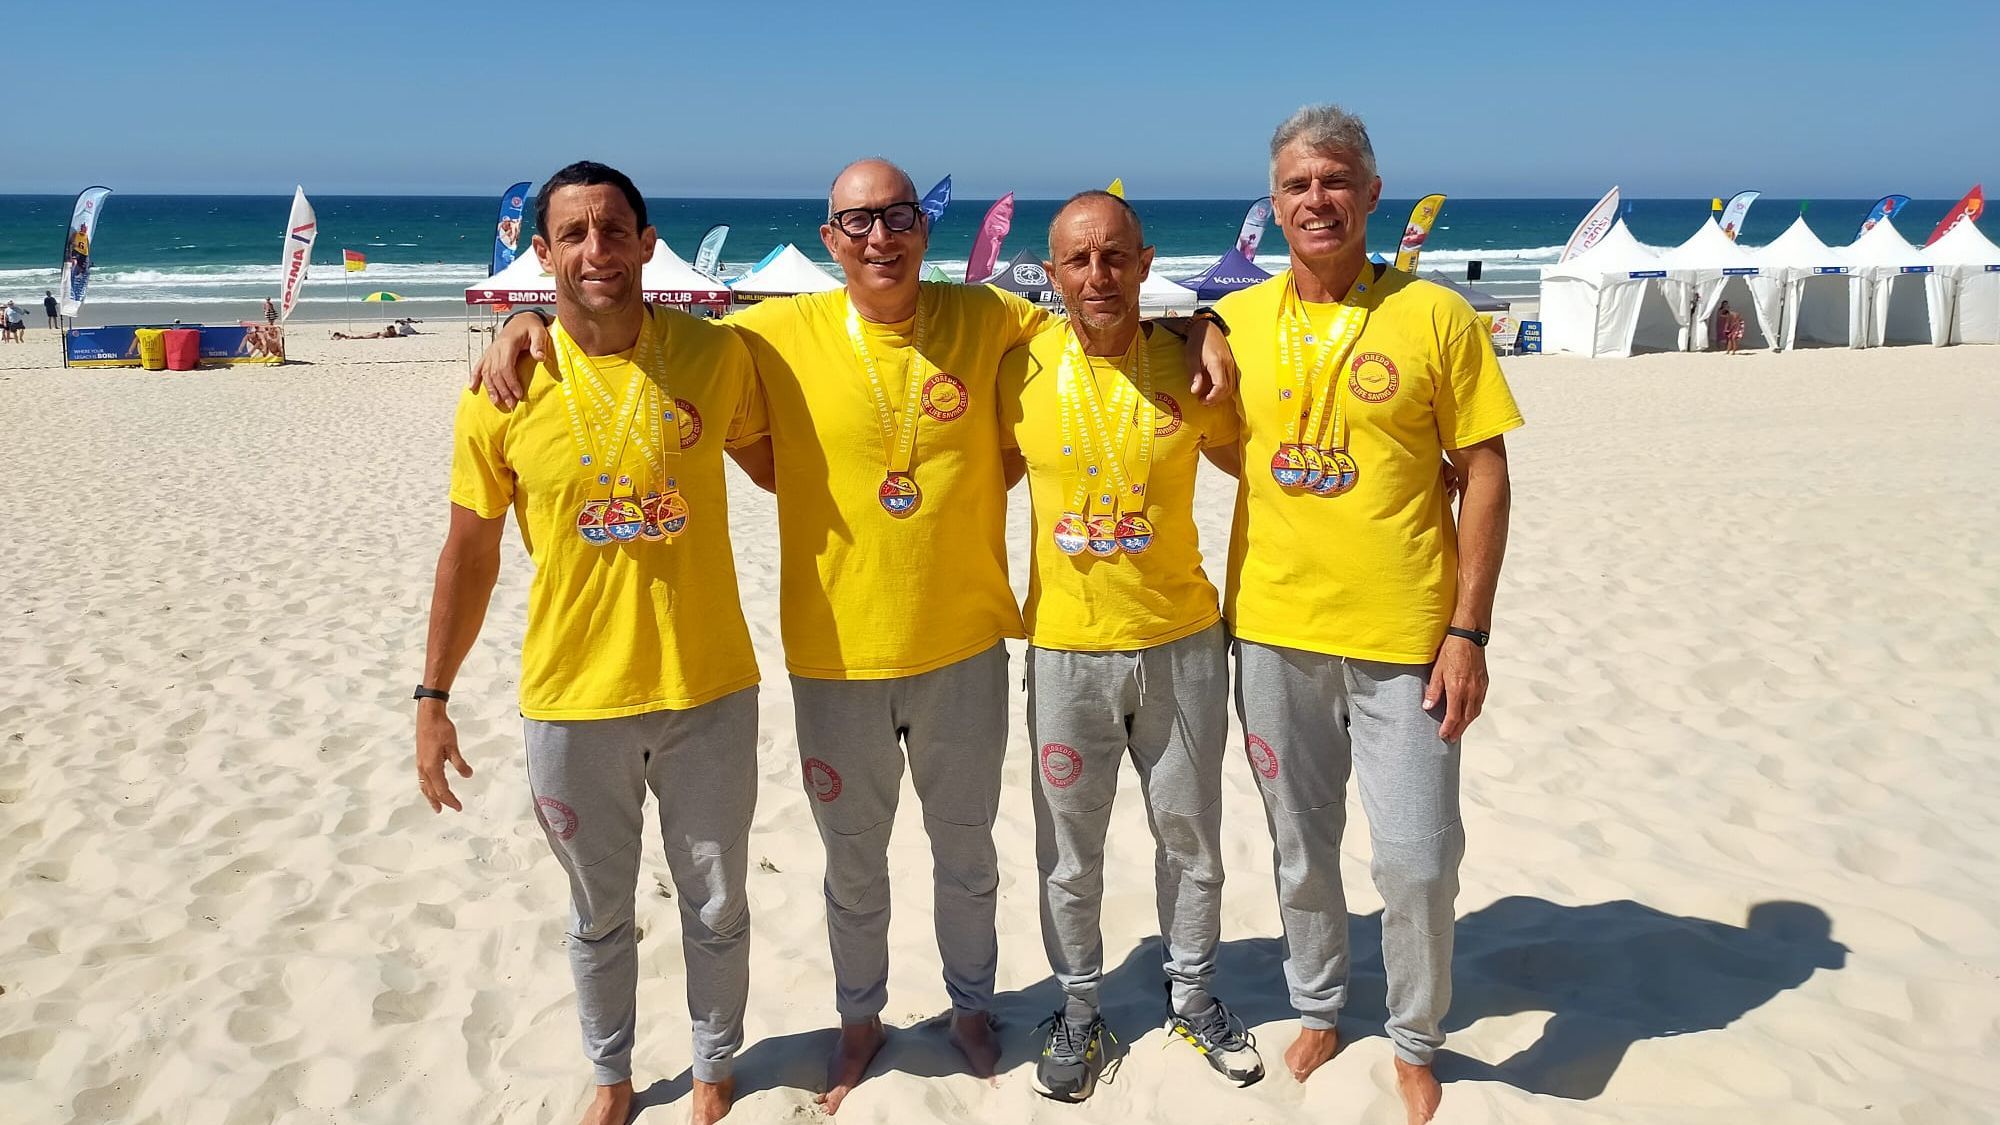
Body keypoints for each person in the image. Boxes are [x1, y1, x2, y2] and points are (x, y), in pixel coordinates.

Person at [469, 158, 1237, 1114]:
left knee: (968, 855)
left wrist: (1208, 320)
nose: (881, 236)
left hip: (964, 649)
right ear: (831, 239)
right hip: (833, 655)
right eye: (859, 220)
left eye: (899, 216)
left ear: (925, 230)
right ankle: (860, 1020)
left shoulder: (992, 316)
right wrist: (523, 320)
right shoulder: (770, 332)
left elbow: (1102, 312)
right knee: (852, 862)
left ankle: (969, 1008)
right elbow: (634, 336)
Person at [414, 161, 766, 1125]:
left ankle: (712, 1065)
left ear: (648, 242)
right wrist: (431, 699)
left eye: (614, 230)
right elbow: (469, 550)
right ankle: (611, 1075)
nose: (596, 251)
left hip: (708, 688)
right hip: (571, 701)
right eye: (573, 234)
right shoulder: (502, 386)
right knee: (598, 914)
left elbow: (798, 451)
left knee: (717, 905)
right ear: (543, 252)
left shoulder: (718, 355)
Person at [1217, 104, 1521, 1125]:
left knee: (1415, 857)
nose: (1316, 199)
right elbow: (1230, 443)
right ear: (1273, 202)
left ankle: (1413, 1035)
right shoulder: (1236, 321)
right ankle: (1315, 1003)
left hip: (1407, 637)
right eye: (1297, 185)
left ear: (1369, 194)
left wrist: (1468, 631)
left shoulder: (1433, 315)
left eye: (1334, 180)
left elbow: (1483, 471)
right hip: (1269, 631)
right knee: (1299, 845)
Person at [998, 191, 1261, 1102]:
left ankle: (1192, 994)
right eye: (1079, 260)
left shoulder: (1187, 363)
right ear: (1053, 271)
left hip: (1182, 642)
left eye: (1115, 257)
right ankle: (1078, 1008)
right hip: (1065, 649)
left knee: (1190, 836)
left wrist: (1211, 321)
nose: (1098, 276)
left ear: (1144, 263)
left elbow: (1264, 454)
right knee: (1069, 852)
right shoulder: (1016, 365)